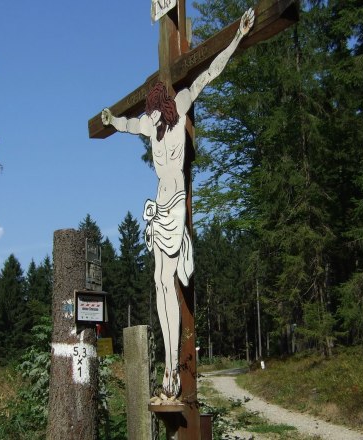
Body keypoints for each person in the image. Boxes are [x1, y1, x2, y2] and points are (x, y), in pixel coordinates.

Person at [102, 8, 255, 398]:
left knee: (168, 282)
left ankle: (173, 369)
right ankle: (167, 368)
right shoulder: (150, 124)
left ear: (164, 103)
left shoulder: (181, 104)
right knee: (158, 283)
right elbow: (123, 123)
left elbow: (208, 73)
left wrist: (236, 38)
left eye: (155, 111)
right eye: (149, 114)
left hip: (174, 209)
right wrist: (110, 119)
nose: (150, 118)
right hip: (158, 207)